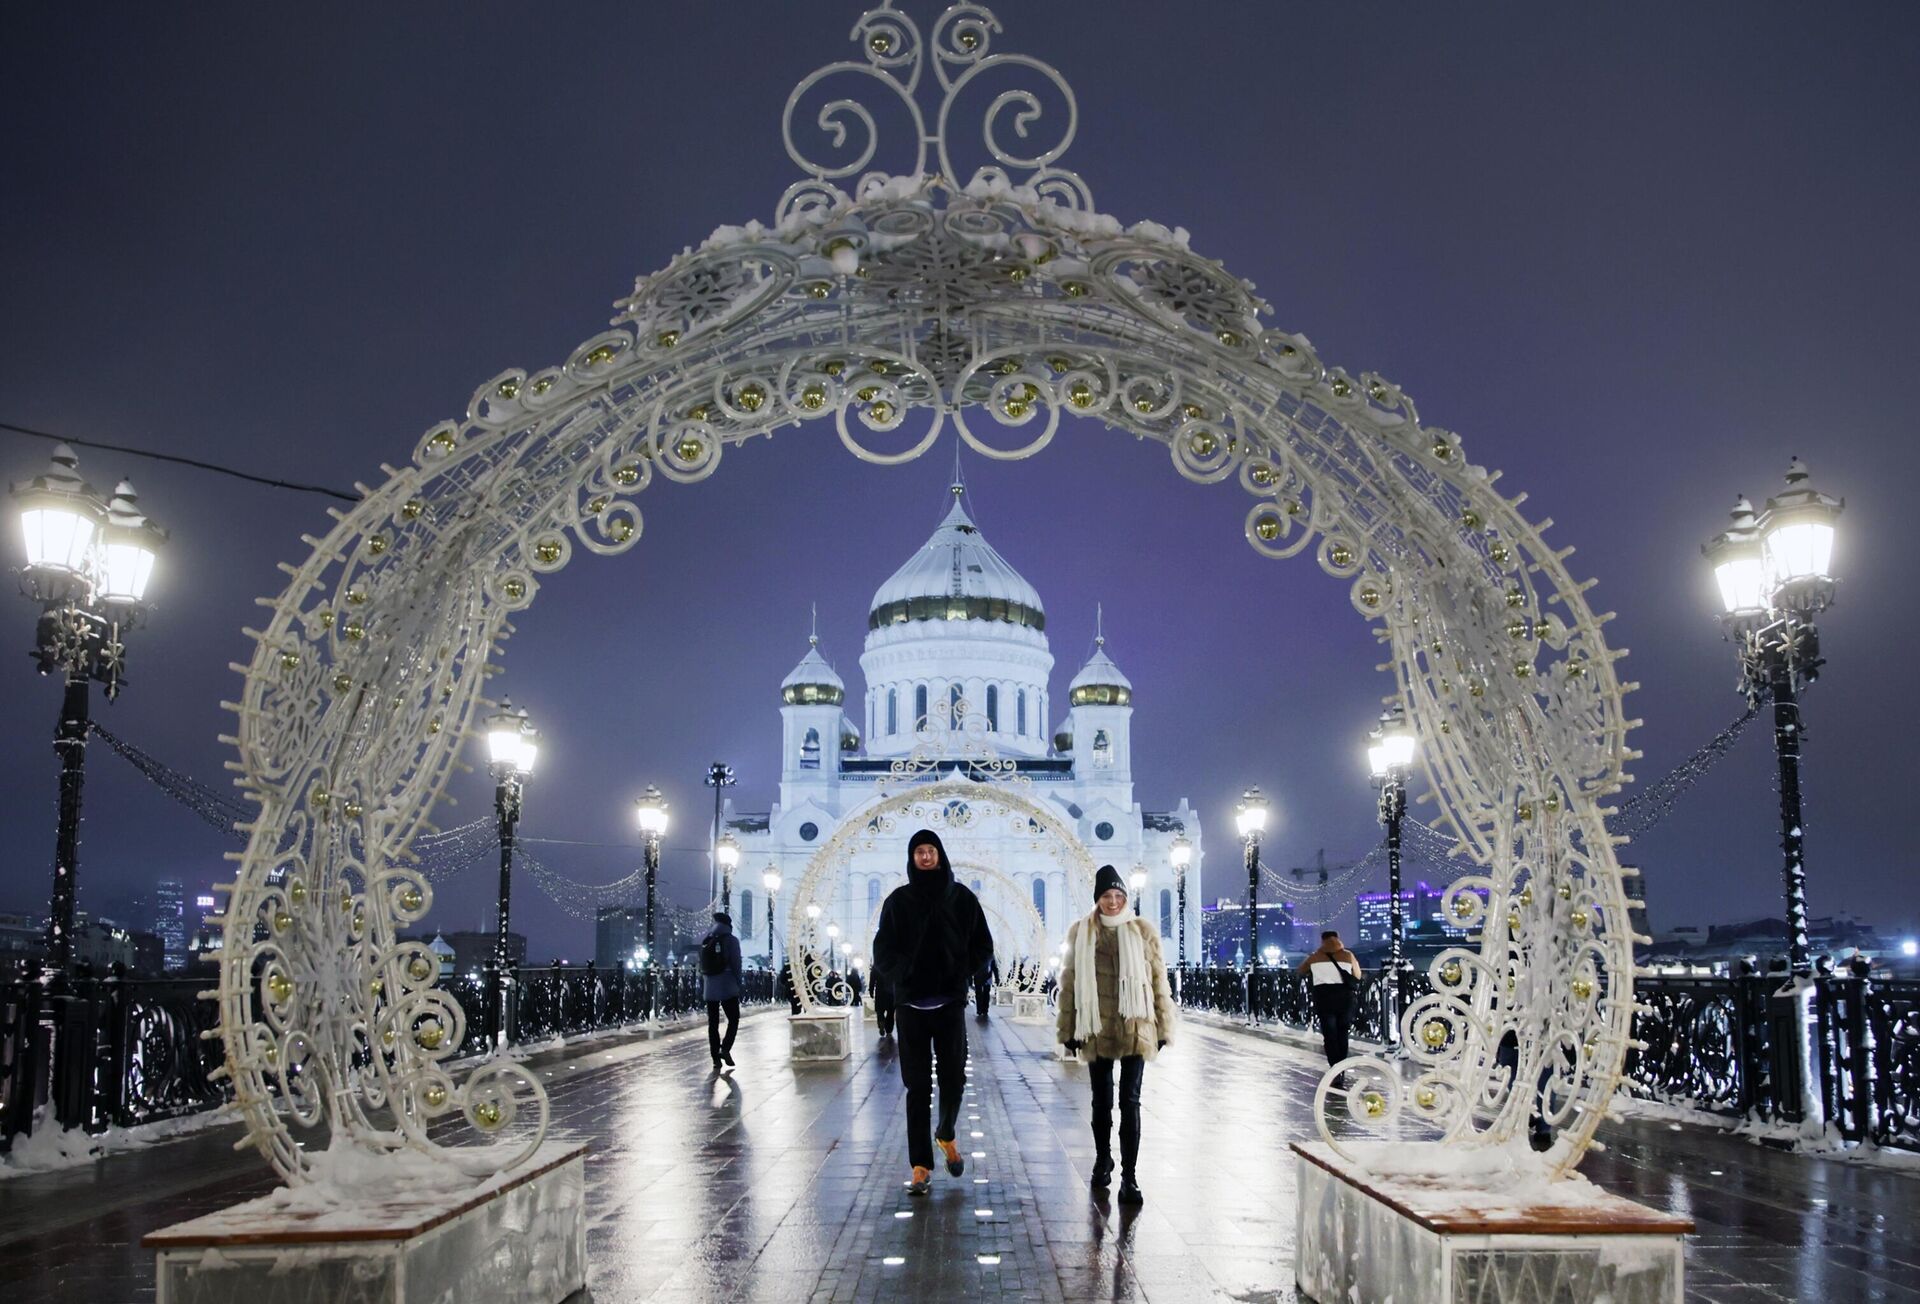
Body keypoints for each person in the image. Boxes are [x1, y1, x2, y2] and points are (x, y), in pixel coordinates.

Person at [872, 829, 993, 1197]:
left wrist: (966, 971)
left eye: (931, 851)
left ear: (941, 855)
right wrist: (901, 976)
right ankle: (920, 1166)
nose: (926, 857)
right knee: (917, 1086)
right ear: (911, 858)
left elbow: (983, 944)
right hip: (911, 1005)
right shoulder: (899, 900)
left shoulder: (961, 898)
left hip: (949, 1003)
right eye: (919, 852)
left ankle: (945, 1132)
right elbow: (883, 949)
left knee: (954, 1078)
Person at [1056, 865, 1177, 1208]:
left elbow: (1157, 981)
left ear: (1126, 898)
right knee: (1101, 1102)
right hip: (1096, 1029)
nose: (1112, 902)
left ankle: (1131, 1175)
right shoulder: (1081, 933)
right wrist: (1068, 1029)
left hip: (1135, 1027)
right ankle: (1102, 1159)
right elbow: (1069, 984)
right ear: (1098, 899)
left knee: (1131, 1102)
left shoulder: (1142, 932)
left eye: (1118, 896)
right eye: (1107, 896)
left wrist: (1163, 1027)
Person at [1297, 929, 1360, 1068]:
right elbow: (1357, 975)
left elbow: (1300, 971)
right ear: (1338, 939)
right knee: (1342, 1033)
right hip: (1345, 999)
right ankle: (1341, 1067)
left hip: (1324, 998)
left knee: (1330, 1035)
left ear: (1322, 941)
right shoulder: (1348, 955)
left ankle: (1334, 1066)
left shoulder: (1314, 957)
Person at [699, 911, 744, 1070]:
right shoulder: (731, 941)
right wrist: (739, 983)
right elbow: (736, 964)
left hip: (710, 986)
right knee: (734, 1019)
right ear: (729, 925)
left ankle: (715, 1058)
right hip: (727, 986)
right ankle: (724, 1049)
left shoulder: (708, 940)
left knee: (713, 1023)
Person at [871, 963, 896, 1039]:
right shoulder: (893, 963)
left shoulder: (876, 965)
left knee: (880, 1010)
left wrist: (871, 990)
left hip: (880, 991)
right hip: (891, 991)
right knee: (890, 1012)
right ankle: (889, 1029)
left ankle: (881, 1022)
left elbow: (872, 979)